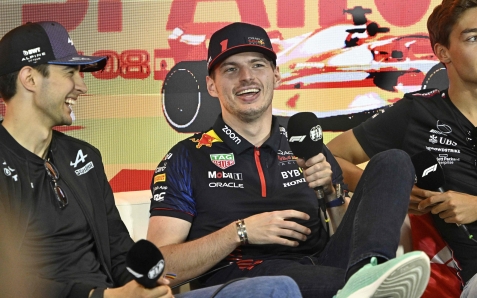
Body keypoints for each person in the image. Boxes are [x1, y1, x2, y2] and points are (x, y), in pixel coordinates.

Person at [0, 21, 301, 298]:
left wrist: (146, 287)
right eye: (69, 73)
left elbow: (119, 250)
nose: (81, 86)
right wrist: (104, 297)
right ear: (30, 78)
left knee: (277, 288)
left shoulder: (82, 157)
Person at [147, 21, 431, 298]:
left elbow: (347, 232)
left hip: (325, 267)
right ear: (211, 85)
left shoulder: (306, 144)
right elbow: (160, 268)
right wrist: (241, 232)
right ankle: (367, 287)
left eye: (258, 65)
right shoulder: (186, 157)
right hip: (249, 279)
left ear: (276, 75)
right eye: (231, 69)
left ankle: (370, 276)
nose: (247, 76)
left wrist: (330, 193)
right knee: (324, 282)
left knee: (393, 161)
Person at [327, 0, 477, 297]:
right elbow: (331, 157)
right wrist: (388, 190)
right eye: (473, 38)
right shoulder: (418, 112)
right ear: (443, 52)